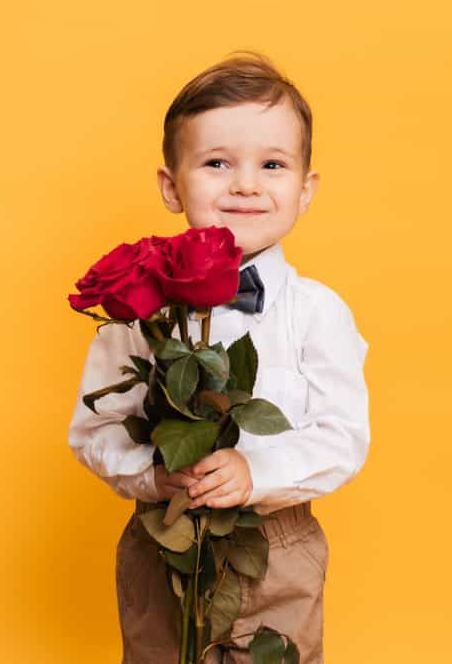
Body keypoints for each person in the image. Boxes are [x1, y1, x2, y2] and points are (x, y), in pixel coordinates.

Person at [67, 50, 371, 664]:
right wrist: (154, 473)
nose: (246, 184)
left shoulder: (318, 313)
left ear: (306, 189)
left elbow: (343, 437)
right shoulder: (138, 313)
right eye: (216, 163)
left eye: (273, 164)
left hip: (275, 547)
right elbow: (93, 431)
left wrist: (257, 472)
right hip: (163, 540)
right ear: (170, 187)